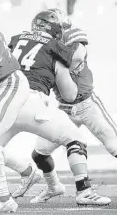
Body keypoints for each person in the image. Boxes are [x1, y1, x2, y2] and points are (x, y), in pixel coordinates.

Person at [0, 9, 110, 212]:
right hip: (30, 101)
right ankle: (83, 190)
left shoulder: (13, 39)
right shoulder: (54, 47)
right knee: (75, 139)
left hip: (0, 96)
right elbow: (70, 93)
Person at [29, 19, 117, 204]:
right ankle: (53, 187)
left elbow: (79, 54)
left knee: (113, 145)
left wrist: (55, 56)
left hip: (87, 105)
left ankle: (83, 191)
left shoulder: (69, 38)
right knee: (40, 153)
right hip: (64, 109)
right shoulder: (44, 50)